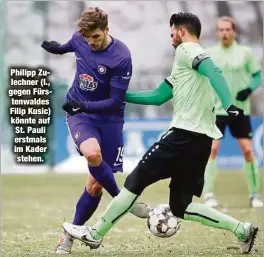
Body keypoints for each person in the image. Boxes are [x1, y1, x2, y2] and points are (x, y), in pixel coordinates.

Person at [62, 13, 258, 254]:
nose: (171, 39)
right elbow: (158, 96)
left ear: (182, 32)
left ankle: (95, 233)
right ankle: (242, 229)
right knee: (181, 207)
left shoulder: (187, 49)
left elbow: (214, 71)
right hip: (201, 142)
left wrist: (229, 105)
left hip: (182, 137)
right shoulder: (185, 63)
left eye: (172, 33)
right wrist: (119, 97)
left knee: (136, 181)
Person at [41, 7, 150, 254]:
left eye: (96, 37)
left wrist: (84, 104)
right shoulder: (81, 38)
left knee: (94, 186)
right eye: (88, 37)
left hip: (109, 118)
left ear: (107, 30)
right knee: (92, 154)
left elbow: (115, 101)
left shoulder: (121, 56)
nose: (91, 42)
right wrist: (57, 48)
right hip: (81, 115)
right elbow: (70, 45)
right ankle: (125, 201)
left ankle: (68, 235)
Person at [203, 16, 263, 208]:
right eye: (221, 30)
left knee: (247, 150)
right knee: (212, 150)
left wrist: (249, 89)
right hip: (217, 110)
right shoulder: (209, 53)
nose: (225, 33)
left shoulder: (245, 53)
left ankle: (254, 195)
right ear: (217, 32)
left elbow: (257, 76)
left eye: (228, 29)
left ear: (234, 31)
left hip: (239, 110)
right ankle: (208, 194)